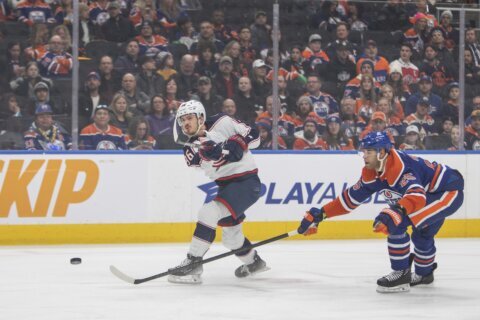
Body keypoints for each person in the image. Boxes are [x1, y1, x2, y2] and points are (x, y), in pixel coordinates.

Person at [297, 131, 464, 293]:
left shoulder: (401, 168)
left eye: (369, 151)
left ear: (382, 152)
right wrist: (321, 214)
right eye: (363, 151)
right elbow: (349, 200)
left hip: (447, 192)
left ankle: (401, 273)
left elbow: (417, 195)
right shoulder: (372, 172)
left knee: (395, 221)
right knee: (421, 235)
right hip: (433, 192)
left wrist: (396, 210)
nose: (364, 155)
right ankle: (424, 274)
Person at [167, 100, 267, 284]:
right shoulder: (190, 147)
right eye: (182, 121)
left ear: (201, 117)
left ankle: (194, 262)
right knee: (231, 237)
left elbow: (255, 137)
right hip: (227, 187)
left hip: (247, 183)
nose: (185, 123)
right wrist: (217, 150)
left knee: (209, 211)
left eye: (189, 118)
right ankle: (254, 263)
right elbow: (206, 158)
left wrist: (240, 142)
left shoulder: (223, 121)